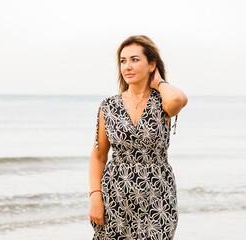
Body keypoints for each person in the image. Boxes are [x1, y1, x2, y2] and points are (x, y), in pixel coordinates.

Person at [88, 35, 188, 240]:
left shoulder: (163, 101)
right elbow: (98, 157)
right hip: (115, 195)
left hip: (157, 197)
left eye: (135, 59)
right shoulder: (109, 106)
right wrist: (96, 197)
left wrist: (159, 82)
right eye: (123, 61)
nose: (127, 67)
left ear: (152, 64)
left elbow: (178, 99)